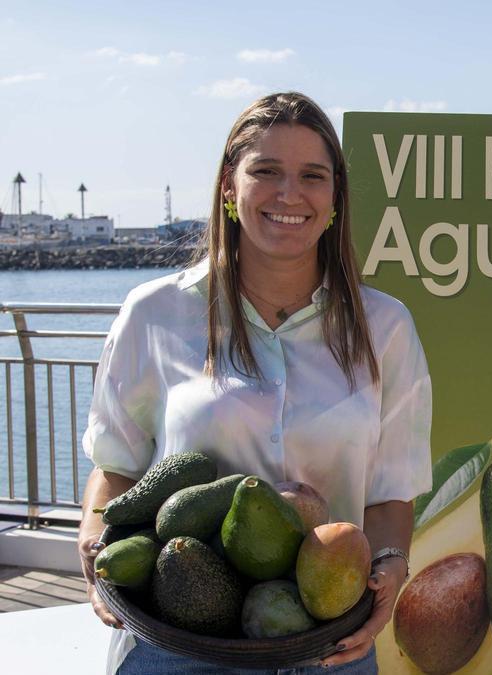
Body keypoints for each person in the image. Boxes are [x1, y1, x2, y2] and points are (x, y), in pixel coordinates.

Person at [76, 92, 432, 674]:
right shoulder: (154, 314)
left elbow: (391, 490)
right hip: (174, 642)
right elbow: (116, 466)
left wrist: (391, 565)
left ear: (335, 195)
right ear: (227, 185)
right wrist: (94, 540)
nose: (289, 194)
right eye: (265, 171)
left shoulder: (385, 328)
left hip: (327, 648)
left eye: (312, 176)